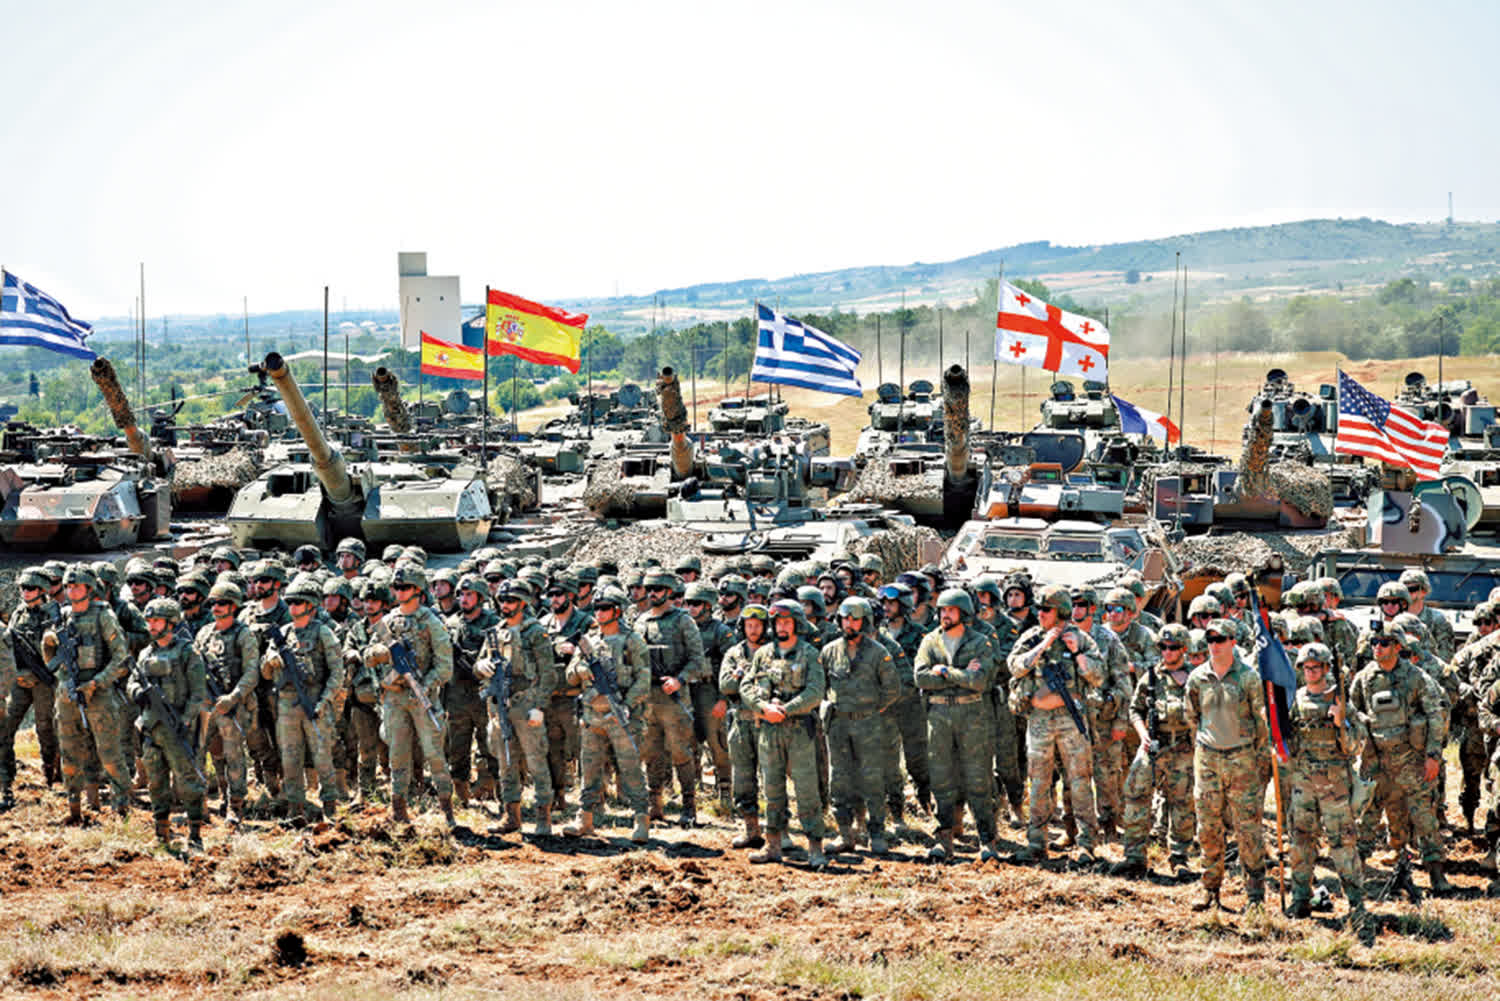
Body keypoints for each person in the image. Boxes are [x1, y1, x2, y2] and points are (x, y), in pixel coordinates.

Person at [1349, 625, 1452, 894]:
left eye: (1384, 643)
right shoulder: (1364, 678)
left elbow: (1435, 716)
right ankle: (1354, 874)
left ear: (1397, 647)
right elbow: (1353, 712)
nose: (1377, 647)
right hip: (1375, 760)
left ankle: (1436, 874)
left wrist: (1432, 756)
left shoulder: (1416, 678)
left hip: (1410, 760)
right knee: (1366, 817)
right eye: (1375, 642)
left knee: (1424, 817)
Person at [1008, 586, 1104, 866]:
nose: (1040, 614)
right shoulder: (1031, 637)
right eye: (1039, 608)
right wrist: (1043, 646)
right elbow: (1015, 666)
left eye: (1046, 609)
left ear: (1061, 612)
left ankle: (1086, 844)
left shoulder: (1081, 639)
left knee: (1080, 782)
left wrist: (1077, 653)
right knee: (1038, 782)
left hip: (1070, 720)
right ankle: (1036, 843)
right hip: (1039, 721)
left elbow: (1098, 676)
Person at [1284, 643, 1370, 940]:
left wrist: (1341, 721)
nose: (1310, 672)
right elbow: (1287, 741)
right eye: (1306, 668)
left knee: (1342, 843)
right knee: (1301, 840)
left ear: (1325, 668)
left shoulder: (1340, 699)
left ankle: (1356, 903)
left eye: (1316, 667)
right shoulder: (1296, 700)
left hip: (1334, 785)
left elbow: (1356, 745)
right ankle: (1300, 898)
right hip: (1303, 783)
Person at [1184, 618, 1270, 910]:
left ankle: (1255, 895)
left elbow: (1261, 722)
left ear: (1233, 642)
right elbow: (1192, 716)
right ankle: (1210, 889)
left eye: (1220, 639)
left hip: (1241, 760)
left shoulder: (1248, 678)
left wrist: (1253, 755)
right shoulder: (1197, 678)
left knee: (1248, 829)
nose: (1214, 645)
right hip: (1208, 759)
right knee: (1208, 828)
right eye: (1210, 640)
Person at [364, 565, 455, 826]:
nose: (400, 592)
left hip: (422, 697)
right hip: (394, 697)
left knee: (434, 755)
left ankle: (447, 812)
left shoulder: (430, 622)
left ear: (417, 590)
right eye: (397, 587)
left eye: (405, 588)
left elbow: (445, 666)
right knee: (397, 754)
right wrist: (381, 653)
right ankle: (399, 810)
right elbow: (367, 656)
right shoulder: (387, 622)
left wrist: (425, 685)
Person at [915, 588, 1001, 862]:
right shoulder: (930, 641)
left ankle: (987, 840)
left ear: (963, 613)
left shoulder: (980, 641)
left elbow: (980, 681)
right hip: (939, 715)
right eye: (942, 610)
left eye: (950, 610)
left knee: (978, 778)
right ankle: (943, 840)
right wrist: (961, 675)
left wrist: (944, 671)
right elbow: (920, 677)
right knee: (941, 778)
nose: (945, 615)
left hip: (971, 714)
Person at [561, 586, 652, 843]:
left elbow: (643, 679)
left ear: (617, 611)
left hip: (621, 715)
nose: (599, 613)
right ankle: (585, 818)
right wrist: (581, 669)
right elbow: (569, 676)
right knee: (589, 770)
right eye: (596, 608)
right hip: (592, 716)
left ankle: (641, 818)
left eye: (605, 608)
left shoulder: (632, 641)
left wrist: (627, 704)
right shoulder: (589, 641)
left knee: (631, 769)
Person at [741, 600, 827, 866]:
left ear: (797, 624)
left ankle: (815, 847)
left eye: (787, 622)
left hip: (799, 730)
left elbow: (815, 691)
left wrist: (787, 710)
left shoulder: (810, 654)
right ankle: (773, 844)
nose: (781, 626)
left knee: (806, 789)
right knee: (772, 788)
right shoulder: (763, 654)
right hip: (769, 729)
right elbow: (746, 686)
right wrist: (763, 707)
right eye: (777, 622)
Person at [46, 566, 133, 822]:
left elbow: (121, 656)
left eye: (77, 586)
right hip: (68, 694)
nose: (71, 591)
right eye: (68, 586)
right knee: (70, 752)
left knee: (109, 753)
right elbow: (51, 662)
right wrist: (47, 644)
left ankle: (121, 809)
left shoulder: (103, 615)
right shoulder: (62, 617)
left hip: (99, 694)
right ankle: (75, 807)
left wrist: (97, 682)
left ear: (89, 588)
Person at [1112, 624, 1196, 880]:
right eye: (1163, 647)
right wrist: (1142, 734)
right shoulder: (1150, 676)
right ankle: (1134, 856)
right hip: (1154, 746)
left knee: (1182, 803)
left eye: (1173, 648)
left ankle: (1179, 857)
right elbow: (1135, 709)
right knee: (1136, 795)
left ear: (1184, 649)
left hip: (1183, 748)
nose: (1167, 652)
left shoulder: (1196, 678)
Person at [261, 576, 345, 827]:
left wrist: (324, 701)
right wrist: (271, 660)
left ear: (310, 605)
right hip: (287, 703)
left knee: (322, 757)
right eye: (290, 602)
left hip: (314, 701)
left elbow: (337, 673)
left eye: (298, 602)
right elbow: (265, 673)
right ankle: (295, 809)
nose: (293, 607)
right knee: (290, 758)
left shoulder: (322, 633)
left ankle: (330, 807)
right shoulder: (282, 634)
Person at [821, 597, 901, 856]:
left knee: (872, 779)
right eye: (845, 618)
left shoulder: (879, 652)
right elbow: (821, 685)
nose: (849, 623)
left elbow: (892, 689)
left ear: (865, 621)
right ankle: (845, 833)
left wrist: (874, 709)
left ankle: (876, 833)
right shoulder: (829, 651)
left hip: (868, 724)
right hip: (838, 724)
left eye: (855, 619)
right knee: (840, 779)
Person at [475, 580, 555, 836]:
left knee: (536, 761)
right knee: (505, 763)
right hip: (501, 704)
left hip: (526, 702)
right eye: (502, 600)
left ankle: (543, 817)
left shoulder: (535, 632)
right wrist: (482, 666)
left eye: (510, 601)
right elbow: (478, 664)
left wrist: (540, 706)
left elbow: (548, 674)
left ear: (523, 603)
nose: (505, 605)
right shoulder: (496, 632)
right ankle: (511, 815)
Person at [128, 597, 208, 848]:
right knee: (156, 782)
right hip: (151, 727)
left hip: (178, 728)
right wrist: (137, 692)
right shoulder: (146, 653)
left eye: (157, 620)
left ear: (171, 623)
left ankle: (195, 835)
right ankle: (161, 834)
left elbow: (198, 693)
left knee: (188, 781)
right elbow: (132, 681)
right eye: (149, 620)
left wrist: (186, 721)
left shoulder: (187, 652)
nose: (151, 625)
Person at [636, 570, 707, 826]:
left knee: (680, 752)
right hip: (648, 698)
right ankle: (654, 806)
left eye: (657, 589)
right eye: (649, 589)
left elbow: (698, 660)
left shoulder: (683, 621)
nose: (652, 594)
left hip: (674, 698)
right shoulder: (641, 621)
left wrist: (679, 679)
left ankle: (689, 807)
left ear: (668, 592)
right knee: (651, 752)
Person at [194, 581, 260, 825]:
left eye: (222, 603)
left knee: (234, 756)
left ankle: (236, 806)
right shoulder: (204, 633)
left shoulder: (244, 634)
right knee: (199, 753)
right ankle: (199, 805)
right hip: (206, 704)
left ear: (233, 606)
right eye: (213, 603)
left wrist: (233, 697)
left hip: (232, 705)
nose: (216, 608)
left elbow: (252, 672)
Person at [444, 576, 501, 807]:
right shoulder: (450, 624)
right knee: (457, 747)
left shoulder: (493, 623)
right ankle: (461, 794)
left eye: (469, 595)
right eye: (461, 594)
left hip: (484, 695)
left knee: (490, 745)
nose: (464, 599)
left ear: (480, 597)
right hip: (457, 695)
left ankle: (497, 793)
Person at [721, 604, 773, 849]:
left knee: (772, 778)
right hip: (741, 721)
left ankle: (777, 832)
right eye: (749, 626)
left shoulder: (775, 651)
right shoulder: (734, 653)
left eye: (758, 626)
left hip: (768, 723)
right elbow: (725, 686)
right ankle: (751, 828)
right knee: (742, 778)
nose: (753, 630)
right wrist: (739, 674)